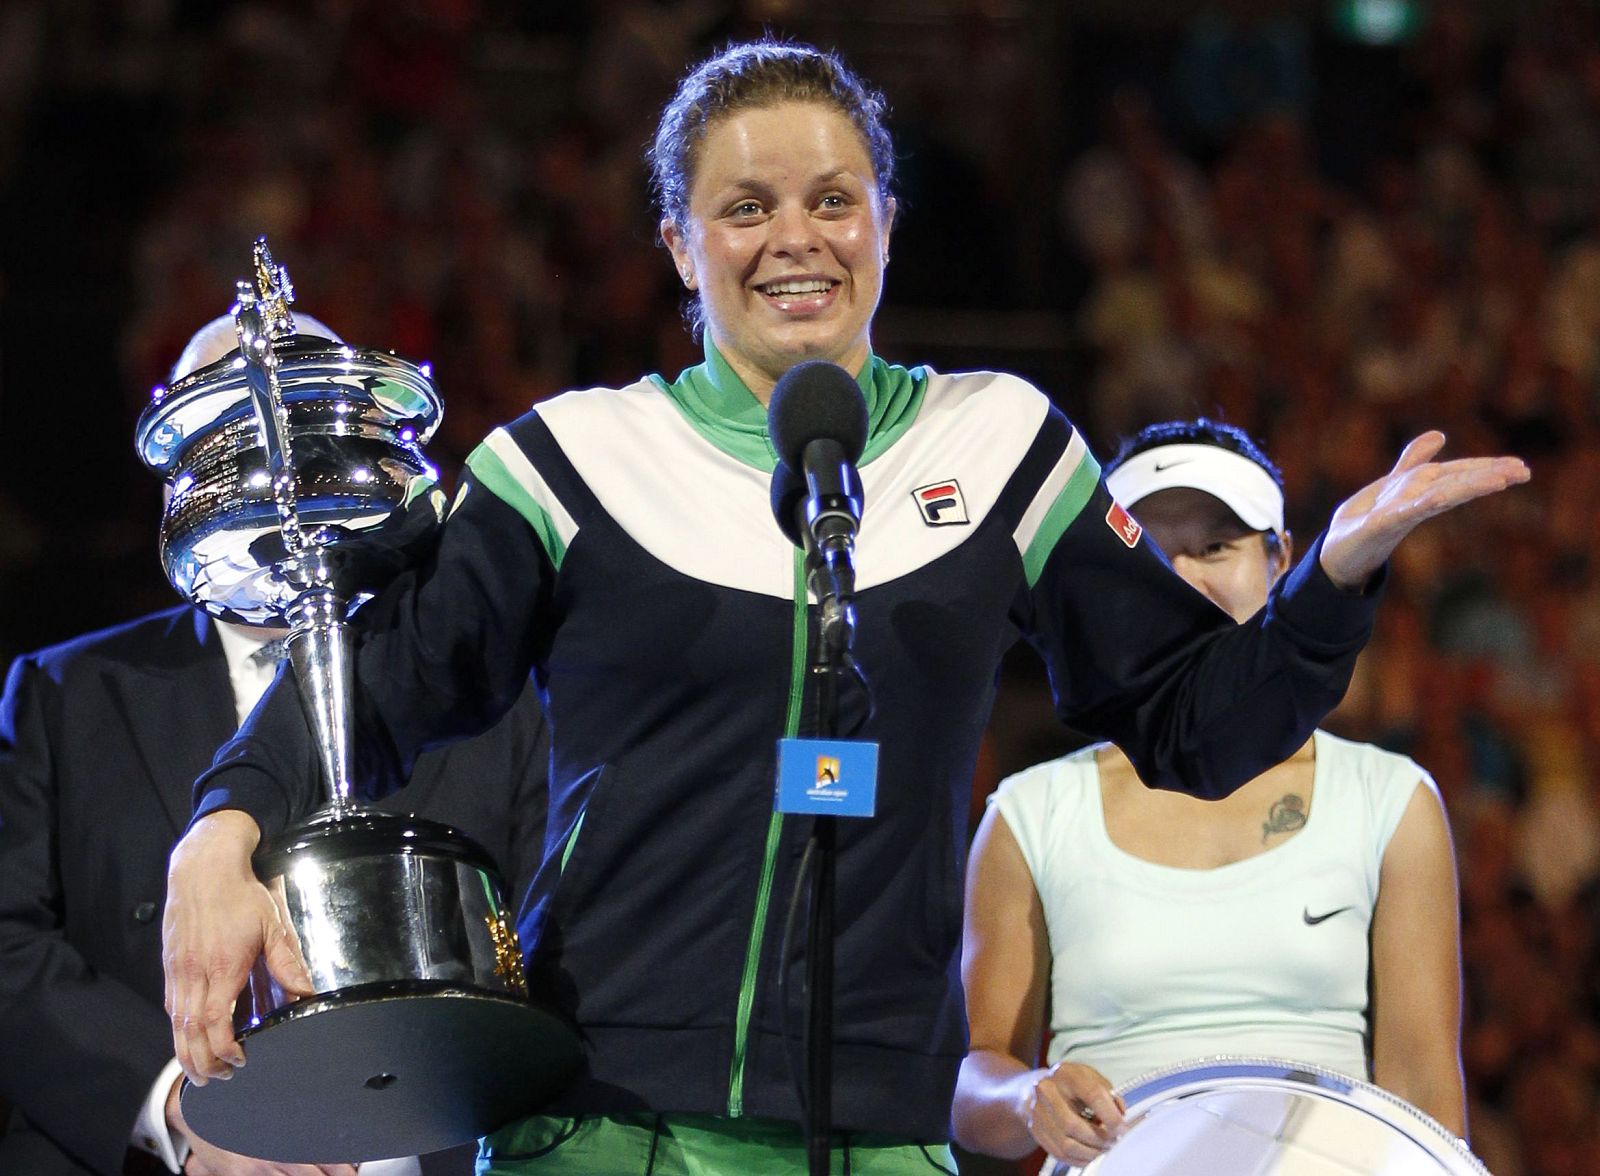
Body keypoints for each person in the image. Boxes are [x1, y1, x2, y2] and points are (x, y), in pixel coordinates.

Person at [158, 40, 1524, 1176]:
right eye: (744, 208)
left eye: (833, 198)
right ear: (679, 246)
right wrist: (223, 830)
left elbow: (1192, 725)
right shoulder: (574, 461)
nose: (793, 239)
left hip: (880, 1137)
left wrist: (1331, 577)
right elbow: (377, 681)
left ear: (885, 219)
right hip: (602, 1126)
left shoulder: (1002, 446)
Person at [0, 315, 550, 1176]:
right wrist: (184, 1109)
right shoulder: (66, 695)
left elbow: (547, 942)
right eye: (227, 439)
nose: (276, 470)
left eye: (303, 429)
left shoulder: (492, 695)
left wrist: (389, 1138)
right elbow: (8, 945)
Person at [953, 419, 1468, 1169]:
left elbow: (1424, 1089)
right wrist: (1029, 1095)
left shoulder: (1390, 800)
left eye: (1216, 546)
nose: (1186, 578)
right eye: (1154, 554)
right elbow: (974, 1084)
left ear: (1280, 557)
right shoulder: (1031, 815)